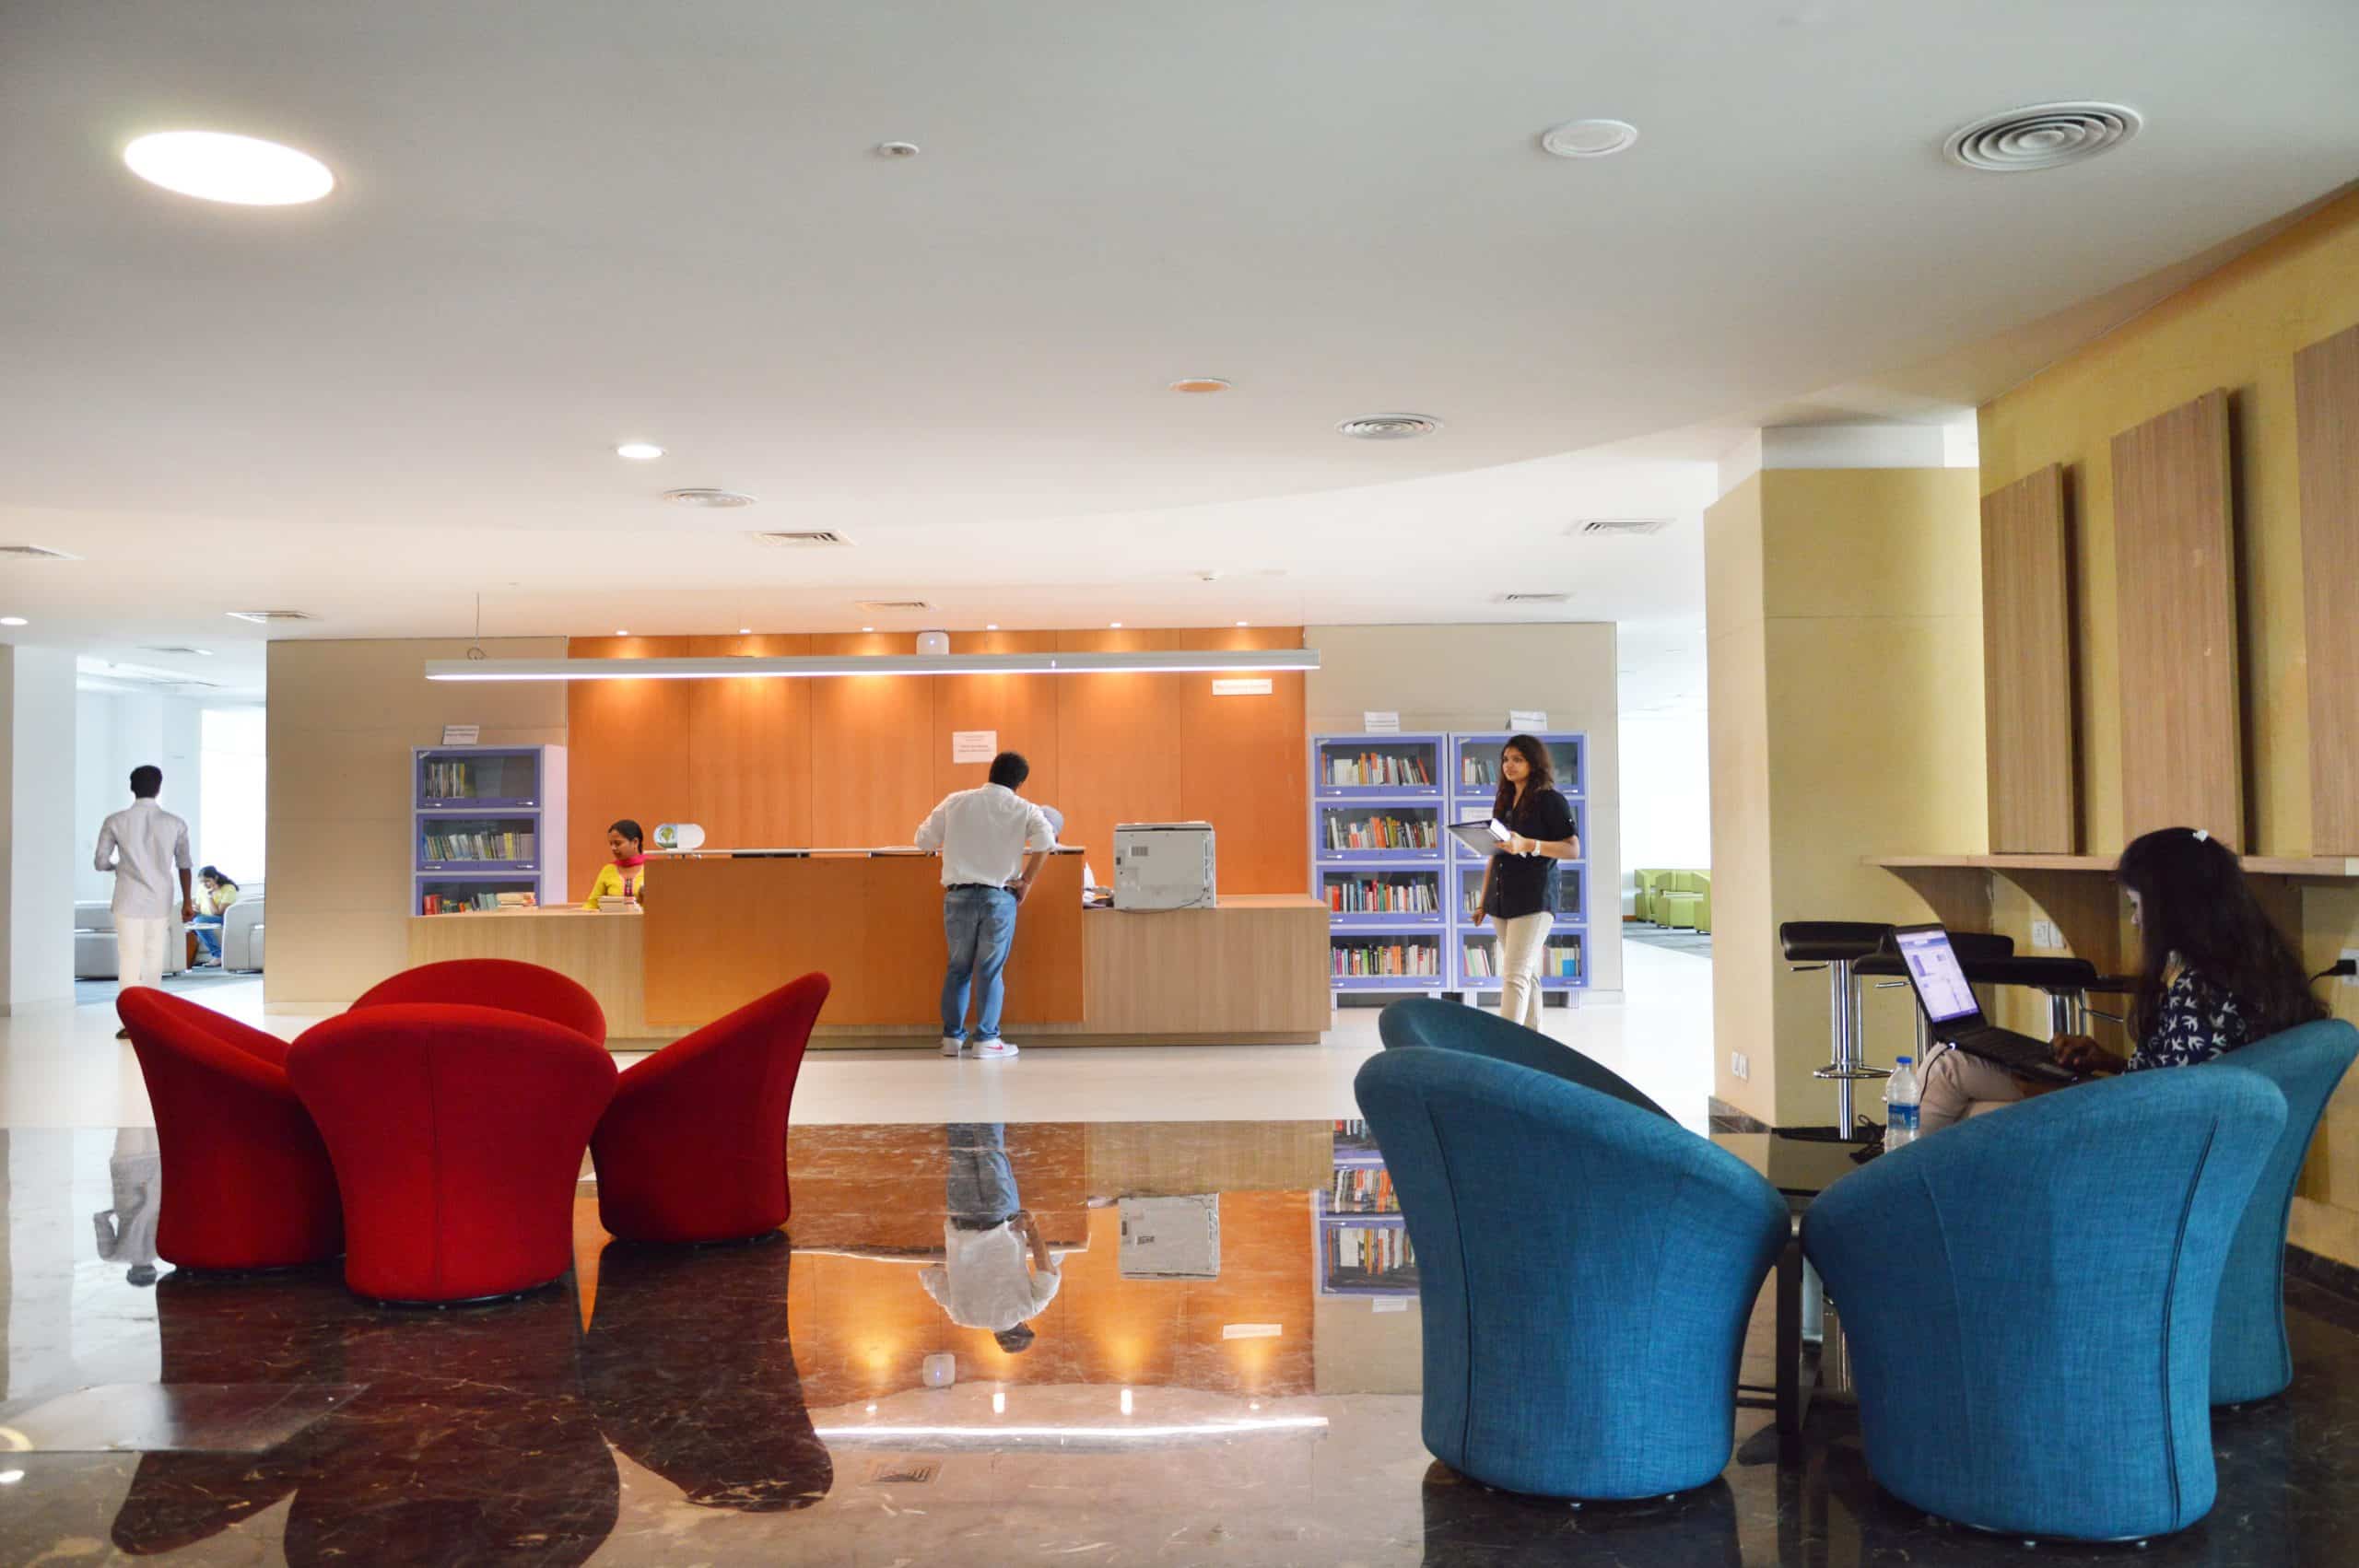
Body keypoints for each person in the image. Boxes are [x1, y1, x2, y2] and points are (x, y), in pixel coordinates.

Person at [1919, 826, 2327, 1133]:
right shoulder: (2259, 970)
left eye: (2136, 905)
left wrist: (2049, 1094)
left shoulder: (2202, 992)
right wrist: (2108, 1060)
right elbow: (2173, 1078)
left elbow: (2162, 1109)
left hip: (2130, 1140)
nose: (2134, 920)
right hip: (2157, 1128)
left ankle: (1889, 1199)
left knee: (1950, 1075)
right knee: (1962, 1099)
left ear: (2172, 907)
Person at [913, 751, 1055, 1061]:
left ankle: (951, 1039)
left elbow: (923, 840)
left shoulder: (955, 801)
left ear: (991, 772)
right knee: (990, 971)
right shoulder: (1024, 808)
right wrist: (1026, 881)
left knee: (958, 969)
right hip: (998, 897)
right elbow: (1046, 842)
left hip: (958, 895)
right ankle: (987, 1040)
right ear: (1020, 782)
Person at [1466, 735, 1581, 1029]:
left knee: (1514, 974)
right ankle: (1533, 1040)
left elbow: (1572, 849)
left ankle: (1506, 1044)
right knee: (1525, 973)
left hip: (1534, 898)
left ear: (1534, 763)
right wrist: (1483, 902)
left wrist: (1529, 844)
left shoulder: (1550, 800)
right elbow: (1495, 855)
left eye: (1518, 759)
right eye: (1506, 759)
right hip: (1502, 899)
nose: (1509, 765)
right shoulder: (1504, 802)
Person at [919, 1123, 1059, 1350]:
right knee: (960, 1149)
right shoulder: (961, 1316)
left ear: (1024, 1327)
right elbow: (932, 1277)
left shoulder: (1028, 1308)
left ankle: (987, 1102)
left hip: (1000, 1218)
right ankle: (958, 1104)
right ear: (998, 1337)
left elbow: (1047, 1272)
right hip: (961, 1218)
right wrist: (957, 1256)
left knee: (990, 1146)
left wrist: (1032, 1229)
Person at [93, 765, 193, 1038]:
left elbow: (100, 862)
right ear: (159, 788)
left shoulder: (115, 821)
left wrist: (117, 867)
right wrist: (187, 901)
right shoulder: (175, 823)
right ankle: (152, 1021)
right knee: (153, 958)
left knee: (129, 959)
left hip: (127, 897)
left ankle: (131, 1023)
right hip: (160, 899)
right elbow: (184, 865)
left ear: (131, 787)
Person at [584, 818, 650, 909]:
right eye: (611, 844)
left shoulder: (653, 868)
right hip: (613, 919)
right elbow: (592, 905)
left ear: (635, 842)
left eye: (618, 843)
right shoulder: (608, 870)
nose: (613, 848)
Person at [190, 866, 241, 965]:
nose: (204, 884)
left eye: (207, 881)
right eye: (202, 882)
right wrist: (194, 909)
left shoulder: (228, 888)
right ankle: (189, 959)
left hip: (223, 918)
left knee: (198, 922)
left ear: (216, 878)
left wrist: (209, 896)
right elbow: (199, 907)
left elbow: (218, 912)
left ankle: (218, 955)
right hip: (204, 917)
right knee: (191, 921)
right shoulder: (201, 888)